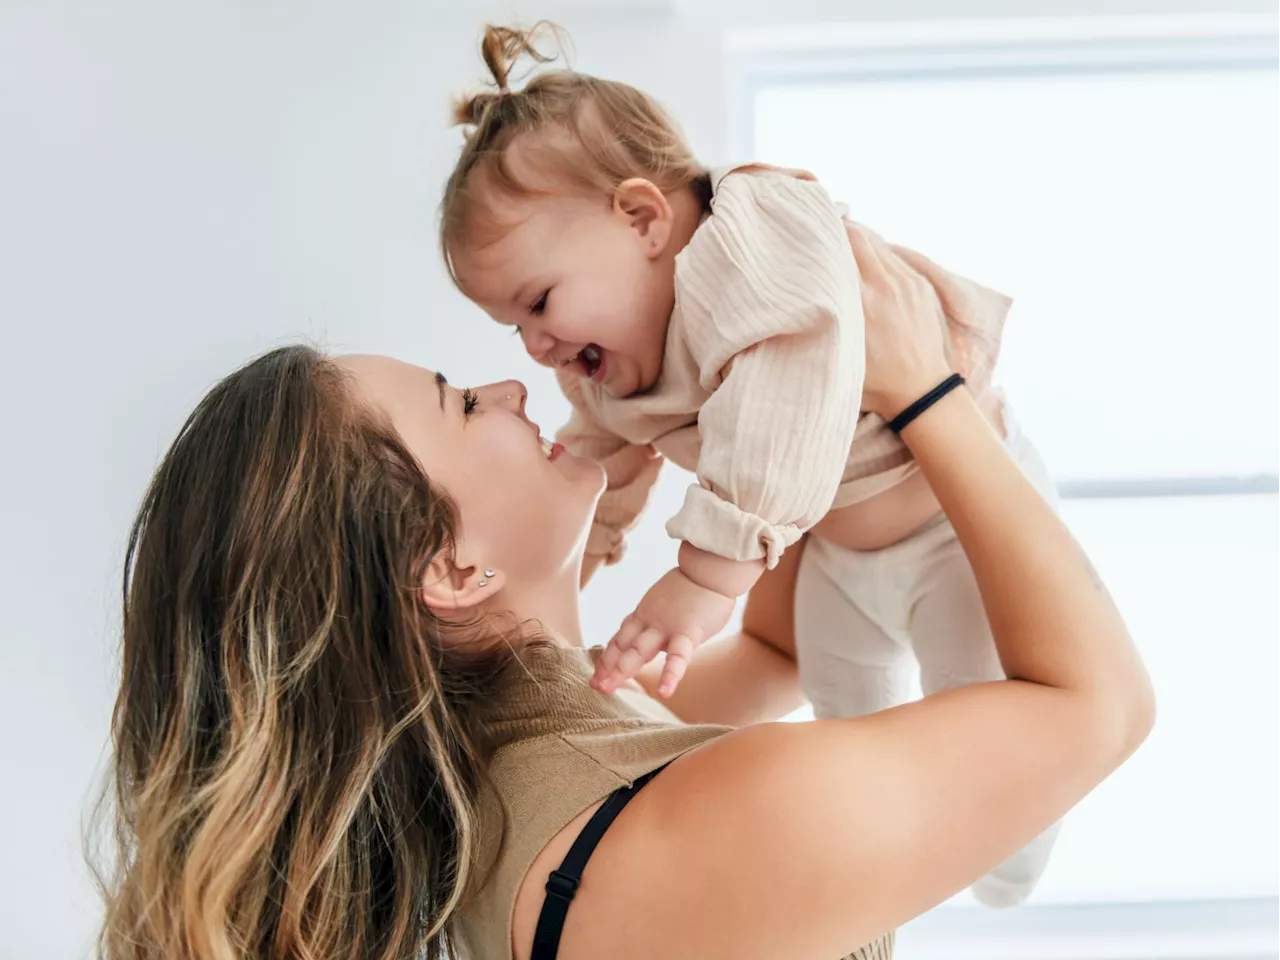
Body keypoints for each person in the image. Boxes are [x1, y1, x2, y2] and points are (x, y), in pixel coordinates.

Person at [93, 225, 1153, 960]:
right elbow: (1094, 709)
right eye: (462, 407)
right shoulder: (667, 828)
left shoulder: (530, 776)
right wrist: (930, 393)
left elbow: (782, 653)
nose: (511, 384)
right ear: (453, 571)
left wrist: (752, 378)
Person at [441, 23, 1066, 905]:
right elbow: (598, 456)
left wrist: (703, 578)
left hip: (950, 524)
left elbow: (796, 377)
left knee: (977, 702)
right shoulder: (617, 361)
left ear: (644, 218)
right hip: (839, 555)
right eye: (515, 325)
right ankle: (918, 853)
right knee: (862, 728)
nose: (537, 347)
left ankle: (1012, 850)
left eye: (541, 301)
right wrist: (579, 555)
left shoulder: (748, 245)